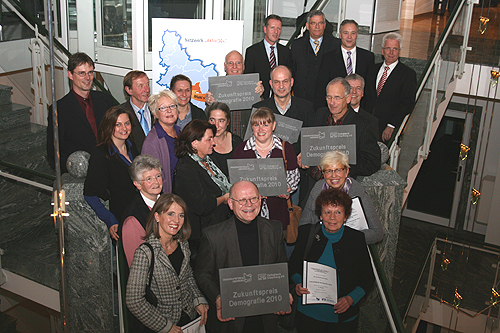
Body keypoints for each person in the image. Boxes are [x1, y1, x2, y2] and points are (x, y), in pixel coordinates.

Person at [194, 181, 290, 333]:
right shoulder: (213, 235)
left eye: (253, 198)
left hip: (265, 318)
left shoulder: (275, 229)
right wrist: (218, 297)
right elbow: (202, 274)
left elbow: (282, 265)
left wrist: (284, 292)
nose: (249, 204)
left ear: (260, 200)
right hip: (232, 321)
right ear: (231, 204)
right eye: (242, 200)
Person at [289, 188, 375, 332]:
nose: (332, 217)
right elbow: (293, 265)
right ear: (320, 215)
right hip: (307, 315)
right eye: (327, 212)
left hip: (342, 319)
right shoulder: (306, 233)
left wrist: (351, 299)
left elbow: (367, 277)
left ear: (346, 216)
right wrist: (298, 283)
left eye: (338, 212)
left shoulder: (356, 239)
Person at [126, 193, 209, 333]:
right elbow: (134, 300)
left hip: (189, 319)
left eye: (181, 215)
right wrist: (165, 326)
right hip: (163, 322)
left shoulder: (183, 244)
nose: (176, 220)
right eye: (170, 214)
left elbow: (187, 277)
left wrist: (198, 299)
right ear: (157, 217)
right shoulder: (145, 253)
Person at [232, 107, 299, 231]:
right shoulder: (241, 150)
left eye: (265, 125)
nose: (260, 129)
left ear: (273, 126)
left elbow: (293, 176)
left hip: (278, 209)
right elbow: (235, 181)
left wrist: (287, 188)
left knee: (277, 246)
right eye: (256, 125)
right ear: (252, 127)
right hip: (248, 211)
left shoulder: (286, 148)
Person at [47, 52, 115, 173]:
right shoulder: (59, 109)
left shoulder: (106, 100)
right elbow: (54, 151)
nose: (87, 78)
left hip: (109, 168)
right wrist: (74, 171)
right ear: (70, 75)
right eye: (82, 73)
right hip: (80, 174)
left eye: (90, 72)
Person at [172, 120, 232, 256]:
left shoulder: (210, 160)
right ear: (194, 143)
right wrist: (223, 199)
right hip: (202, 238)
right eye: (209, 139)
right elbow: (201, 205)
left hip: (220, 228)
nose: (213, 143)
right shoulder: (186, 168)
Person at [299, 151, 384, 244]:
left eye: (338, 170)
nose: (334, 175)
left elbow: (377, 233)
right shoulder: (318, 188)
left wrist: (343, 238)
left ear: (346, 171)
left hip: (351, 246)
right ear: (323, 173)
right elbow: (304, 224)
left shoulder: (357, 191)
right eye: (329, 171)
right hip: (321, 243)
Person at [84, 106, 139, 240]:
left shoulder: (132, 146)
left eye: (127, 123)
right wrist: (110, 219)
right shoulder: (101, 155)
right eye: (118, 125)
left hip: (139, 214)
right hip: (122, 219)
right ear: (109, 127)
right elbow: (90, 194)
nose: (124, 128)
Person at [314, 77, 380, 179]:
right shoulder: (320, 114)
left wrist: (343, 168)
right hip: (315, 182)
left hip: (343, 187)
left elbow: (372, 163)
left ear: (348, 98)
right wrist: (305, 157)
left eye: (337, 98)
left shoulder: (364, 125)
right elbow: (312, 145)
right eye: (329, 97)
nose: (332, 102)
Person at [363, 32, 417, 142]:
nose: (391, 52)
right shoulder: (372, 69)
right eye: (388, 48)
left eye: (395, 49)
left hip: (385, 129)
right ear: (382, 51)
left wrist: (391, 125)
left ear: (399, 52)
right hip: (366, 124)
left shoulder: (408, 74)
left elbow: (407, 103)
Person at [315, 19, 375, 109]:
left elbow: (370, 89)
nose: (349, 37)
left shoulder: (367, 57)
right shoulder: (328, 58)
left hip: (360, 111)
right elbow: (321, 88)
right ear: (340, 35)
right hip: (335, 109)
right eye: (346, 33)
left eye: (353, 33)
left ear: (357, 35)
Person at [205, 50, 265, 138]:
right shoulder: (216, 87)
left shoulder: (253, 85)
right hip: (223, 139)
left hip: (247, 138)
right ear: (225, 67)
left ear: (243, 66)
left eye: (238, 63)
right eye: (230, 63)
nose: (234, 66)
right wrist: (209, 104)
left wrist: (259, 97)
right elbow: (208, 117)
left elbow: (261, 115)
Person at [290, 10, 341, 111]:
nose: (317, 26)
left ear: (324, 25)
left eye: (320, 23)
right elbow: (293, 71)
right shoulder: (297, 45)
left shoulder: (335, 44)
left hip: (327, 102)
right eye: (313, 23)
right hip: (302, 100)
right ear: (307, 26)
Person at [122, 155, 163, 267]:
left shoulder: (168, 202)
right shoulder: (132, 218)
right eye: (149, 179)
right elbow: (137, 265)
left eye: (158, 176)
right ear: (137, 184)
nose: (156, 182)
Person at [244, 14, 293, 99]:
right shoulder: (252, 51)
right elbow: (248, 79)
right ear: (265, 29)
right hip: (261, 99)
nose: (276, 32)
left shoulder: (286, 52)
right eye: (272, 28)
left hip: (281, 99)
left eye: (278, 28)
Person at [141, 90, 180, 193]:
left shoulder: (180, 132)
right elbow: (150, 181)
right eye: (163, 108)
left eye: (172, 106)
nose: (169, 111)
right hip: (167, 198)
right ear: (155, 113)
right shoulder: (151, 142)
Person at [206, 102, 243, 176]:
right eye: (212, 120)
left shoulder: (237, 142)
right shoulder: (202, 144)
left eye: (221, 121)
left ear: (228, 122)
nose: (216, 125)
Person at [120, 70, 152, 152]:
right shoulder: (120, 113)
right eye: (141, 86)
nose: (147, 90)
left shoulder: (157, 108)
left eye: (147, 84)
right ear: (129, 90)